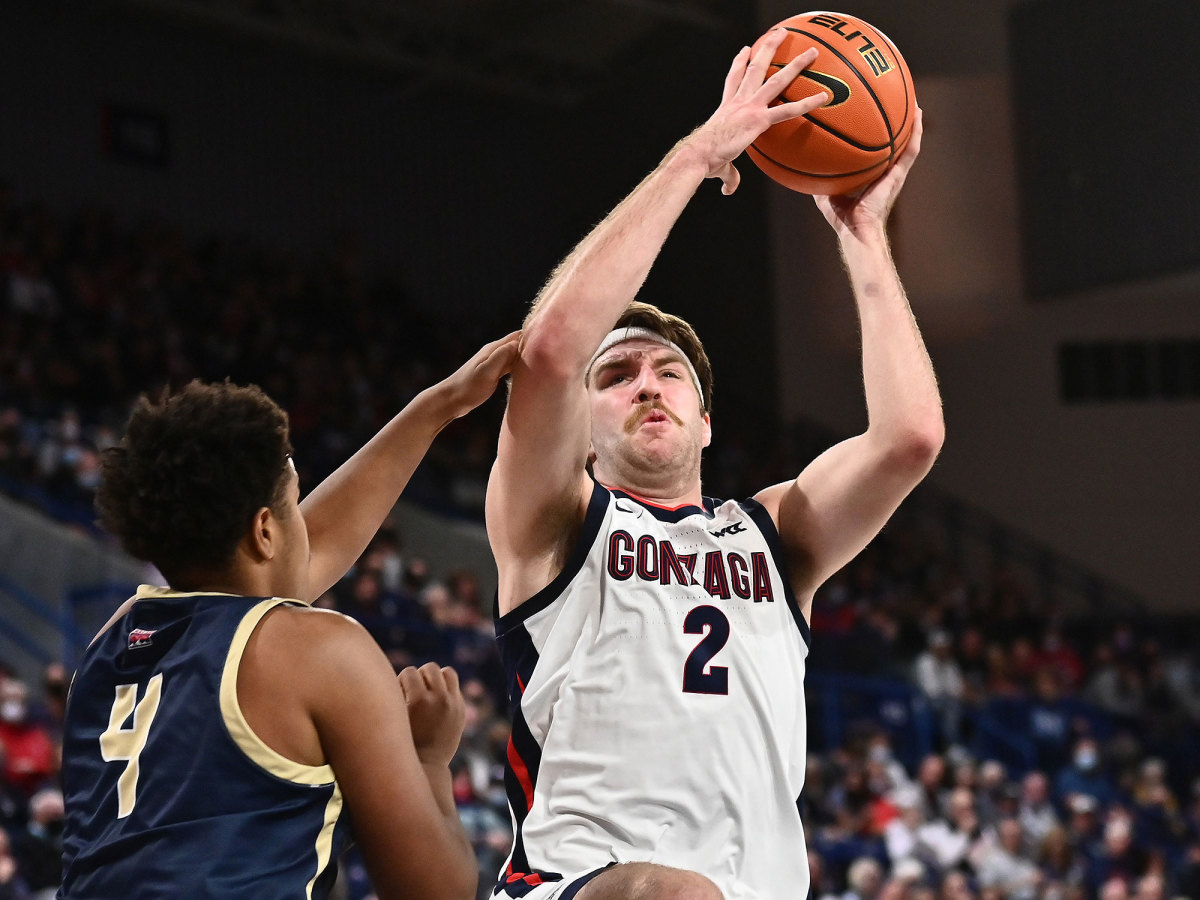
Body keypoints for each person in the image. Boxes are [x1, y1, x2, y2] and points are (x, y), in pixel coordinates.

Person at [485, 27, 940, 900]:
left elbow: (910, 437)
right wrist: (695, 156)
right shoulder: (557, 521)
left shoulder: (773, 534)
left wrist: (862, 234)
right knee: (679, 894)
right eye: (616, 375)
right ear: (583, 428)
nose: (646, 385)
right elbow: (549, 349)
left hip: (751, 888)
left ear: (704, 424)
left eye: (669, 374)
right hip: (577, 881)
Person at [58, 331, 519, 900]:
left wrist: (439, 406)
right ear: (264, 529)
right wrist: (428, 759)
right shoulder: (318, 649)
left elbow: (286, 563)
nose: (305, 520)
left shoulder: (109, 643)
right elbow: (436, 893)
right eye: (294, 504)